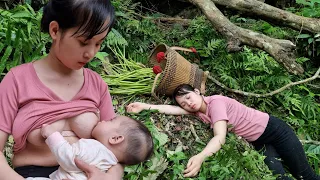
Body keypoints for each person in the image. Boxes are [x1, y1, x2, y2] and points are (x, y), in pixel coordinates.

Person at [0, 0, 126, 179]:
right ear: (55, 30)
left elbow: (118, 151)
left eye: (98, 44)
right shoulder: (17, 81)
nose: (91, 53)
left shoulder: (97, 84)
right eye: (84, 42)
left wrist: (109, 177)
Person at [127, 84, 320, 180]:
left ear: (197, 91)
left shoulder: (216, 103)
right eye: (184, 102)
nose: (188, 103)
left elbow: (220, 137)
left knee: (305, 175)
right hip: (261, 142)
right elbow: (173, 109)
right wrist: (144, 106)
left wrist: (201, 157)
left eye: (188, 97)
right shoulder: (198, 110)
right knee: (278, 177)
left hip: (276, 131)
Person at [25, 115, 153, 180]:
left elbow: (69, 158)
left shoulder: (95, 149)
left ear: (115, 139)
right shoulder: (109, 163)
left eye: (110, 121)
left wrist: (52, 135)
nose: (104, 120)